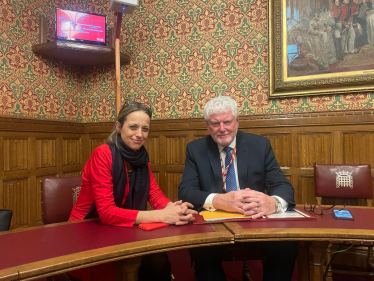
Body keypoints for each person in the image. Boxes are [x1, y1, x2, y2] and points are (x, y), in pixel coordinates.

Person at [70, 101, 197, 281]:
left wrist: (175, 209)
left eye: (145, 129)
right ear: (118, 127)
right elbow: (105, 213)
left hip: (122, 224)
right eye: (133, 127)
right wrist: (163, 215)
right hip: (88, 226)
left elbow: (154, 194)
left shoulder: (141, 156)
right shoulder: (102, 154)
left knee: (158, 258)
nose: (140, 134)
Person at [178, 96, 297, 281]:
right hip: (214, 225)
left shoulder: (260, 145)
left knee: (286, 246)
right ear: (208, 125)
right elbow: (185, 192)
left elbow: (283, 186)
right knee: (202, 253)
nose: (222, 129)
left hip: (255, 221)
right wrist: (219, 200)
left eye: (227, 122)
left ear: (237, 121)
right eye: (215, 123)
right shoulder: (195, 149)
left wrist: (273, 203)